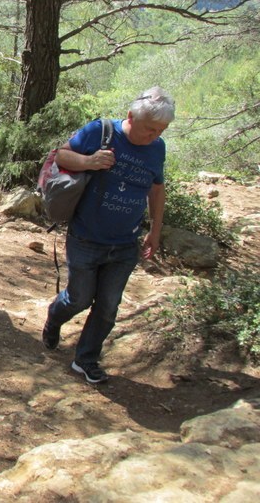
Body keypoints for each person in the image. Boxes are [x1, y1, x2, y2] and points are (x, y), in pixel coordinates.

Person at [42, 86, 175, 384]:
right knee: (78, 299)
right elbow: (60, 156)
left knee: (107, 307)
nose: (154, 135)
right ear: (130, 117)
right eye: (150, 129)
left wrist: (155, 229)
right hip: (86, 237)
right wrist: (89, 162)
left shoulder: (157, 148)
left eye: (161, 130)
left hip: (126, 243)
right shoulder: (100, 132)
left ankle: (85, 360)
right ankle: (54, 316)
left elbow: (156, 187)